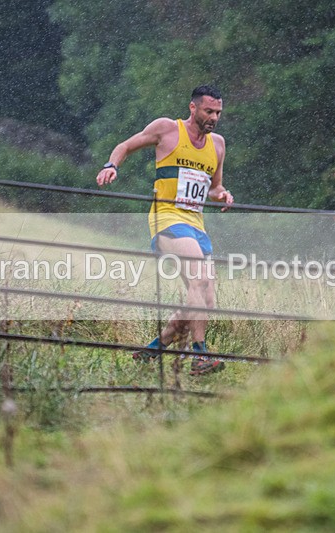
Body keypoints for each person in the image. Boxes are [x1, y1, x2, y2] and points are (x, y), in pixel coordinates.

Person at [96, 85, 233, 375]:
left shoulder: (218, 144)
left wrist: (222, 195)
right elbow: (125, 146)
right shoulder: (167, 129)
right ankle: (200, 355)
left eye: (218, 112)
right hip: (167, 219)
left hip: (196, 225)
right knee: (199, 278)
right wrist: (112, 166)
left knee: (206, 299)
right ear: (193, 108)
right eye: (209, 111)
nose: (214, 118)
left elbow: (214, 186)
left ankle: (152, 351)